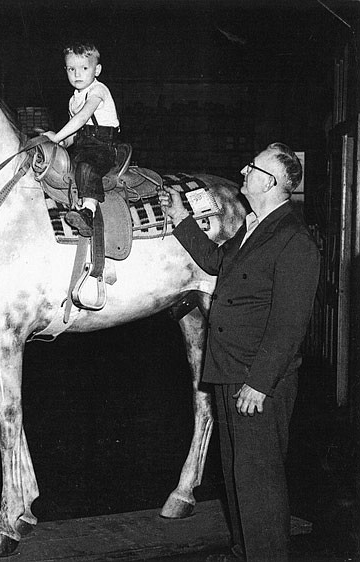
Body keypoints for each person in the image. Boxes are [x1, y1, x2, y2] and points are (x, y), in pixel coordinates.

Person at [159, 143, 320, 561]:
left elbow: (290, 323)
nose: (243, 171)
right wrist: (181, 221)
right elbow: (215, 263)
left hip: (257, 380)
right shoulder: (254, 227)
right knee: (235, 474)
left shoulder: (293, 240)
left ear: (270, 183)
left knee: (260, 481)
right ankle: (244, 551)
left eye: (252, 168)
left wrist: (259, 384)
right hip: (230, 370)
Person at [43, 41, 120, 237]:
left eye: (84, 68)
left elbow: (83, 117)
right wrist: (58, 143)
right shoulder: (73, 99)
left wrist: (57, 136)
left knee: (86, 168)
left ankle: (88, 212)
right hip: (82, 146)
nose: (77, 74)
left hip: (102, 147)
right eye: (71, 69)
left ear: (97, 70)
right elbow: (73, 136)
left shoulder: (98, 90)